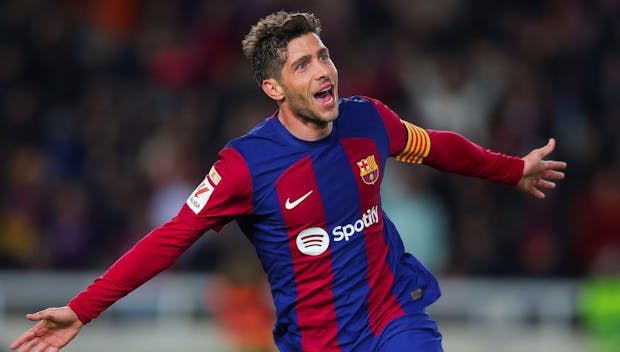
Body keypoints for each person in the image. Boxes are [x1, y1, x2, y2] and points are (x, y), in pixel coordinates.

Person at [10, 11, 567, 352]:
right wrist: (83, 308)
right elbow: (170, 237)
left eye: (323, 55)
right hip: (317, 343)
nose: (323, 70)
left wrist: (512, 168)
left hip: (394, 317)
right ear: (275, 89)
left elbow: (438, 148)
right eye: (302, 65)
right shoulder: (245, 166)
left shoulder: (367, 119)